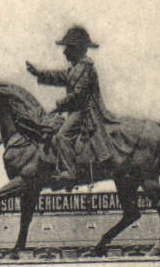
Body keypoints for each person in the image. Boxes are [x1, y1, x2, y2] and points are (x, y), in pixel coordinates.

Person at [25, 26, 120, 184]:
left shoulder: (84, 68)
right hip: (77, 110)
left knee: (62, 136)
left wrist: (58, 105)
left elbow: (78, 95)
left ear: (77, 49)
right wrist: (39, 73)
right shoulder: (77, 68)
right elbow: (59, 76)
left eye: (67, 48)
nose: (64, 52)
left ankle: (69, 171)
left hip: (84, 112)